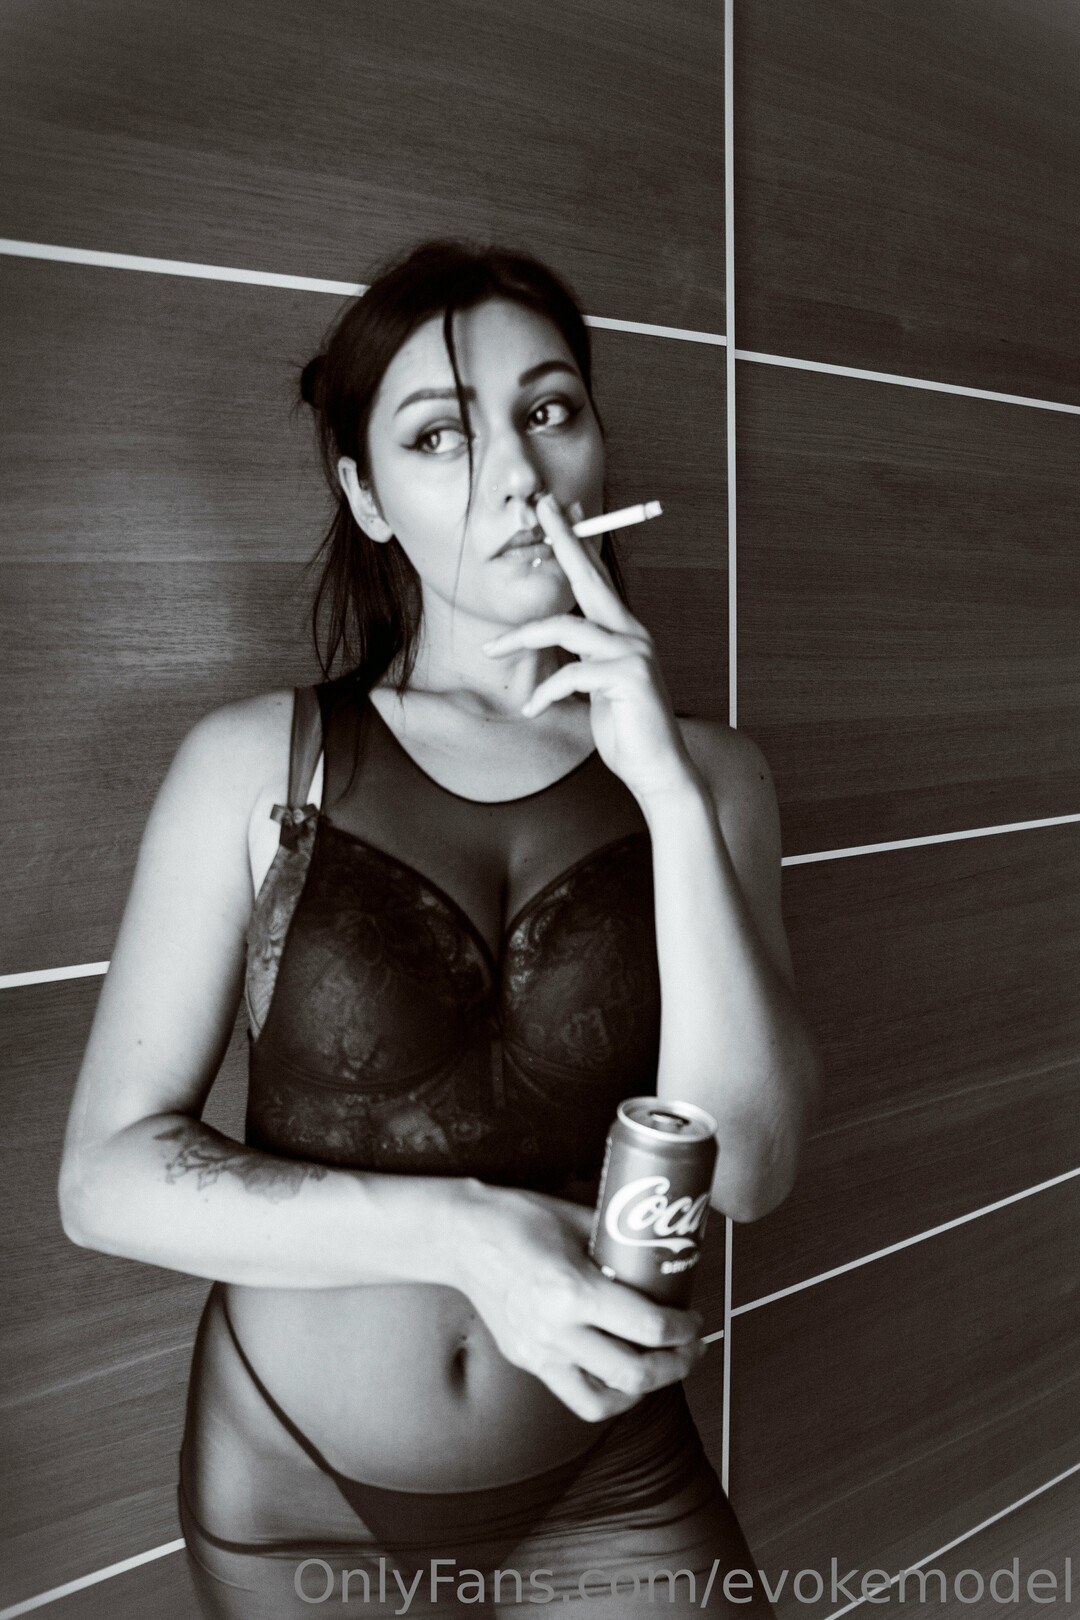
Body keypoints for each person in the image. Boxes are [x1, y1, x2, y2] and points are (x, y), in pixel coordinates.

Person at [58, 241, 821, 1617]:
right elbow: (104, 1179)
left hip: (611, 1477)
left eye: (550, 409)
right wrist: (464, 1235)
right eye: (440, 435)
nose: (518, 473)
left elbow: (750, 1169)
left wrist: (660, 783)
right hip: (294, 1494)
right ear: (367, 495)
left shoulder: (715, 778)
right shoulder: (256, 764)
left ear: (594, 442)